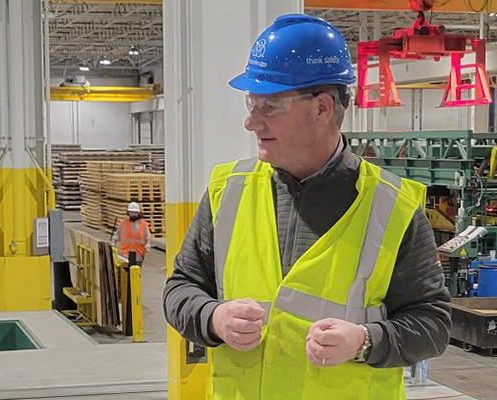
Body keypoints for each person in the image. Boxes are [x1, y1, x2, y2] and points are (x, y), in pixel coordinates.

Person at [163, 13, 450, 400]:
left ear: (322, 108)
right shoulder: (226, 191)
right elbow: (180, 288)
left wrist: (366, 341)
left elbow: (432, 325)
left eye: (270, 106)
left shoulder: (391, 207)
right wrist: (212, 318)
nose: (251, 122)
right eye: (252, 103)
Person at [116, 201, 152, 266]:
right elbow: (116, 236)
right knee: (125, 273)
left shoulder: (144, 224)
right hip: (126, 254)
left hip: (139, 254)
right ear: (128, 213)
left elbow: (148, 235)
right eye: (132, 212)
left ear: (139, 213)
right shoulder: (123, 224)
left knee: (136, 273)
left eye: (135, 212)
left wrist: (148, 244)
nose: (134, 214)